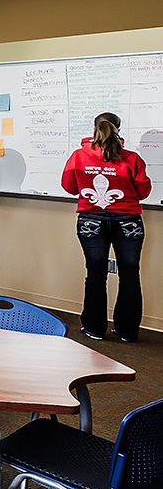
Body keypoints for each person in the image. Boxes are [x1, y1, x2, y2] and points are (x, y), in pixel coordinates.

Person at [62, 112, 151, 341]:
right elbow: (143, 192)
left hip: (91, 219)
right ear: (118, 130)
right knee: (130, 275)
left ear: (94, 129)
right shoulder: (133, 159)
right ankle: (128, 331)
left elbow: (69, 187)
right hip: (128, 221)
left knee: (95, 272)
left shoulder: (79, 157)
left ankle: (93, 328)